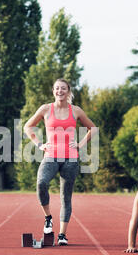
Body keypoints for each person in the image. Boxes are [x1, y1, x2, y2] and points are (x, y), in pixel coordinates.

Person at [24, 78, 97, 245]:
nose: (60, 91)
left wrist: (80, 144)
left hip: (71, 159)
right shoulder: (45, 109)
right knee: (41, 183)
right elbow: (28, 126)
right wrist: (39, 144)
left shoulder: (76, 110)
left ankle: (62, 235)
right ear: (53, 91)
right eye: (57, 88)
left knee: (66, 197)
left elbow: (93, 128)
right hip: (50, 156)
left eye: (63, 88)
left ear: (68, 91)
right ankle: (48, 217)